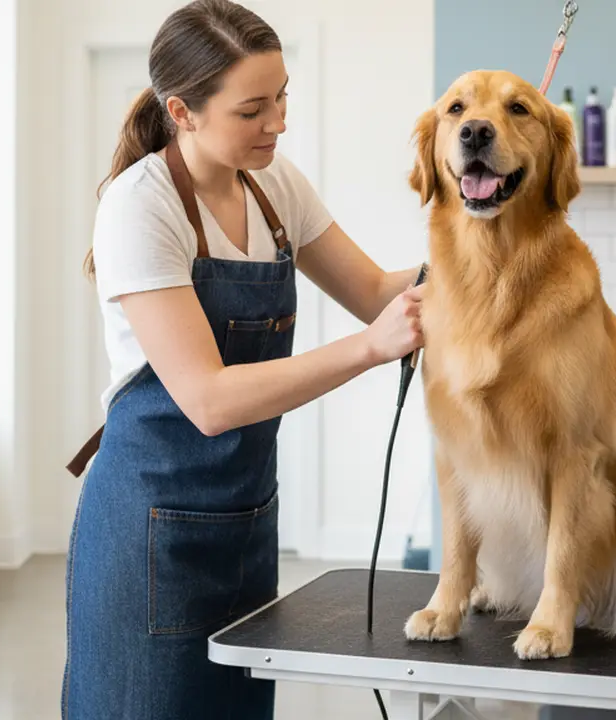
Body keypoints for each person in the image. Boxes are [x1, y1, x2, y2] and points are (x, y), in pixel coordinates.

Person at [60, 1, 426, 718]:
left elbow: (378, 291)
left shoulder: (273, 184)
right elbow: (210, 399)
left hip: (247, 518)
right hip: (149, 535)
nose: (278, 122)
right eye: (253, 109)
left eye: (282, 96)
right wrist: (370, 349)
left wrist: (484, 252)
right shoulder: (142, 207)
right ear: (183, 111)